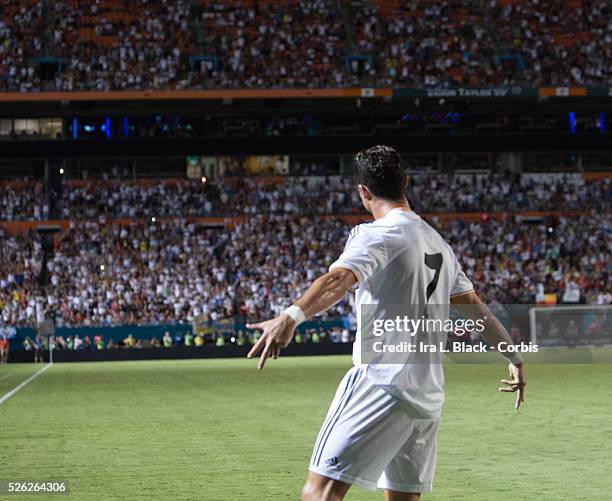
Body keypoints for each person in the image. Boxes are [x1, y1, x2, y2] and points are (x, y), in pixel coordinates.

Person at [247, 145, 527, 501]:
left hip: (381, 382)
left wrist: (292, 315)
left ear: (363, 192)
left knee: (320, 493)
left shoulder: (377, 234)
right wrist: (513, 358)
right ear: (405, 183)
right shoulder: (438, 243)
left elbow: (339, 279)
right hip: (425, 398)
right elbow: (475, 307)